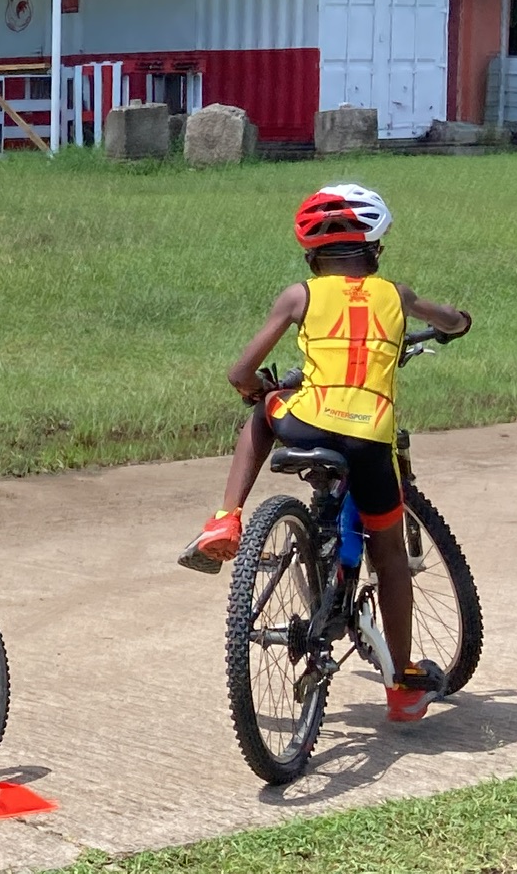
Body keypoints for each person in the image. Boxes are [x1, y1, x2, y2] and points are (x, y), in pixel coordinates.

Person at [177, 183, 472, 722]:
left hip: (308, 421)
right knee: (390, 556)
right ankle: (402, 686)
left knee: (263, 410)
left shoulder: (299, 297)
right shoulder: (396, 296)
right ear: (374, 249)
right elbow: (450, 319)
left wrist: (257, 390)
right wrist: (459, 322)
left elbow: (240, 372)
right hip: (369, 438)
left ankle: (226, 519)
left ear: (311, 255)